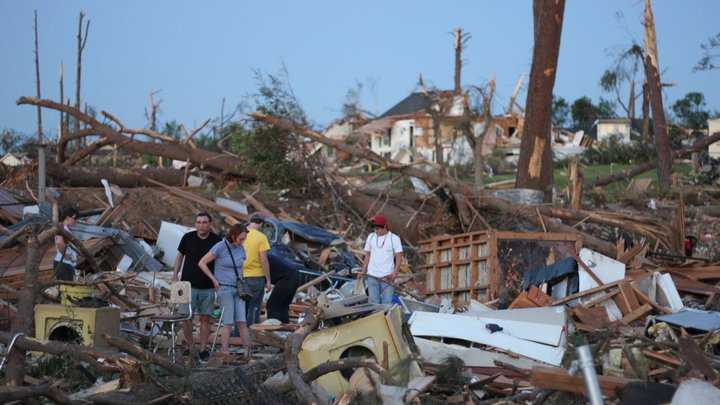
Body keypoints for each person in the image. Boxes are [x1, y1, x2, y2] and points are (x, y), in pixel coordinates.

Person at [172, 212, 221, 360]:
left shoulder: (216, 240)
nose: (201, 225)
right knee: (186, 317)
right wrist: (175, 274)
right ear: (195, 224)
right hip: (188, 285)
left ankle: (203, 348)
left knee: (205, 319)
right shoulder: (188, 237)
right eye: (198, 222)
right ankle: (190, 345)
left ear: (210, 224)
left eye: (204, 222)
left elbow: (220, 261)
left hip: (208, 287)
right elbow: (180, 256)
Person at [198, 223, 252, 357]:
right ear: (233, 235)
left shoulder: (241, 248)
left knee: (242, 321)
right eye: (241, 238)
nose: (242, 241)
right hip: (225, 288)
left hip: (239, 289)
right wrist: (213, 279)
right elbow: (202, 263)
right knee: (228, 322)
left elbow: (240, 268)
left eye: (244, 238)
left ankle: (247, 351)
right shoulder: (221, 246)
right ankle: (225, 351)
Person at [359, 215, 404, 305]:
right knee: (374, 303)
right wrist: (363, 271)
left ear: (385, 227)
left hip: (387, 277)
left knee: (386, 303)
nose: (376, 231)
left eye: (378, 229)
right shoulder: (371, 237)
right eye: (375, 228)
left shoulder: (394, 239)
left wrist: (395, 273)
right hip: (372, 276)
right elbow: (367, 255)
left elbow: (399, 257)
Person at [242, 214, 272, 326]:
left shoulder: (240, 234)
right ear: (261, 223)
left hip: (240, 276)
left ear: (250, 221)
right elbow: (264, 260)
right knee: (253, 307)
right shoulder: (261, 237)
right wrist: (268, 280)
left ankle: (236, 334)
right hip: (256, 277)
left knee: (240, 307)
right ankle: (250, 333)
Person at [54, 207, 78, 281]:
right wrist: (68, 256)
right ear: (67, 217)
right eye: (74, 218)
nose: (75, 221)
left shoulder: (65, 229)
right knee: (67, 288)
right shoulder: (62, 228)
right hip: (64, 264)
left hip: (66, 264)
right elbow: (59, 243)